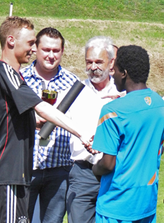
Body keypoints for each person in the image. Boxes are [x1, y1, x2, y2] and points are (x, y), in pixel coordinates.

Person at [0, 16, 90, 223]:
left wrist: (32, 122)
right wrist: (81, 133)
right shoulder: (6, 71)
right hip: (7, 173)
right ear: (12, 41)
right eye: (31, 43)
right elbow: (41, 108)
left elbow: (4, 115)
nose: (33, 49)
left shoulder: (10, 74)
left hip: (17, 174)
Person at [92, 45, 164, 222]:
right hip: (146, 201)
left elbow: (108, 165)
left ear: (124, 73)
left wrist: (95, 168)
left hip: (116, 204)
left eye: (114, 70)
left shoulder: (112, 111)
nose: (112, 74)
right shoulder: (159, 104)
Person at [20, 27, 79, 223]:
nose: (51, 55)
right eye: (46, 49)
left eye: (56, 50)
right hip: (26, 167)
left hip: (59, 169)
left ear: (62, 52)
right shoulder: (20, 78)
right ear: (36, 49)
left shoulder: (73, 83)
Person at [66, 36, 122, 223]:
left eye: (99, 61)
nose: (93, 67)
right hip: (83, 173)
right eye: (89, 62)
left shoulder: (123, 93)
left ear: (111, 62)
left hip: (114, 171)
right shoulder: (75, 91)